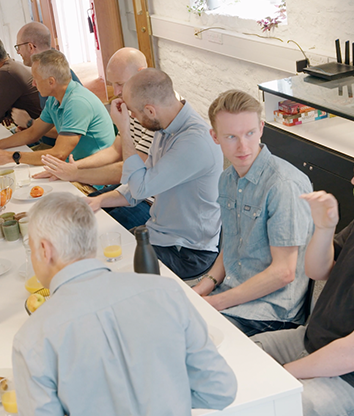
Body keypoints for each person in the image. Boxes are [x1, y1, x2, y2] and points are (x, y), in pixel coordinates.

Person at [12, 192, 237, 416]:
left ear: (44, 250)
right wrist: (162, 396)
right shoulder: (165, 292)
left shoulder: (32, 338)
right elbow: (220, 389)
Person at [191, 90, 313, 337]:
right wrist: (205, 286)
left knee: (189, 343)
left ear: (261, 128)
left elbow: (284, 272)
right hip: (231, 295)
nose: (243, 146)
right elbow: (235, 244)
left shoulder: (284, 185)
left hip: (271, 313)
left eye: (249, 133)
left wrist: (216, 302)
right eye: (231, 137)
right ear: (215, 137)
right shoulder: (227, 179)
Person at [86, 68, 223, 280]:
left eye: (133, 112)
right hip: (160, 235)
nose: (131, 117)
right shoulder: (165, 127)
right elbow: (137, 185)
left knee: (105, 274)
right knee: (92, 252)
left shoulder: (194, 141)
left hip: (187, 252)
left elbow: (141, 187)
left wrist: (124, 130)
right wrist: (99, 201)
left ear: (150, 111)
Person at [251, 177, 354, 416]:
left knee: (287, 406)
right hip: (310, 338)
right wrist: (324, 228)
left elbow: (349, 355)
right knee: (241, 358)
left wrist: (282, 374)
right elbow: (317, 271)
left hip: (346, 376)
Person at [34, 47, 153, 230]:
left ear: (141, 73)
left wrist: (75, 173)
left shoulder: (155, 113)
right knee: (69, 215)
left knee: (85, 227)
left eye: (120, 83)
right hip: (128, 191)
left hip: (149, 201)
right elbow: (115, 150)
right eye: (114, 84)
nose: (117, 91)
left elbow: (131, 170)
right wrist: (74, 167)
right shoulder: (132, 103)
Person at [0, 49, 114, 166]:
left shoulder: (77, 103)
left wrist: (12, 156)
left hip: (94, 175)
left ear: (51, 81)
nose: (33, 84)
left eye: (36, 79)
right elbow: (32, 132)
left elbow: (59, 153)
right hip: (73, 165)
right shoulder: (55, 98)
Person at [10, 21, 81, 149]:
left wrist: (29, 123)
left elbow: (67, 131)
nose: (18, 52)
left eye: (18, 47)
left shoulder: (55, 77)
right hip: (47, 140)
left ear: (31, 47)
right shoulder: (48, 68)